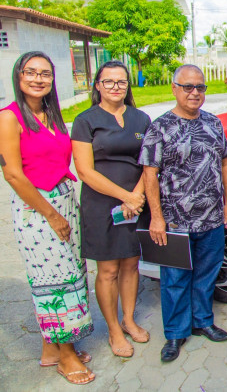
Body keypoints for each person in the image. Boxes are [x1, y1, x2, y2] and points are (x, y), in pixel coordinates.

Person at [0, 52, 95, 385]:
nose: (38, 79)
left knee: (71, 275)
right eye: (31, 72)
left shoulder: (52, 115)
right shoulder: (8, 117)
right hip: (37, 208)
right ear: (19, 75)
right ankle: (66, 355)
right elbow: (12, 173)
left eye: (45, 73)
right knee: (55, 279)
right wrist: (52, 215)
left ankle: (51, 348)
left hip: (65, 201)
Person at [139, 65, 227, 362]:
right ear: (174, 88)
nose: (195, 93)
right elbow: (149, 173)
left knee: (207, 274)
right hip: (174, 220)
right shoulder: (160, 127)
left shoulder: (214, 123)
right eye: (188, 87)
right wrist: (156, 216)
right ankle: (175, 334)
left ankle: (202, 321)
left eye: (200, 87)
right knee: (175, 279)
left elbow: (225, 163)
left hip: (212, 217)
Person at [71, 61, 151, 358]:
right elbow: (84, 170)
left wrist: (137, 196)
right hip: (102, 204)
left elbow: (149, 163)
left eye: (121, 82)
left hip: (135, 201)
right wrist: (124, 197)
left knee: (131, 263)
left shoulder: (141, 119)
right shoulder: (85, 120)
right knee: (107, 269)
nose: (116, 87)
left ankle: (129, 319)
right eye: (109, 82)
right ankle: (114, 330)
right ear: (97, 86)